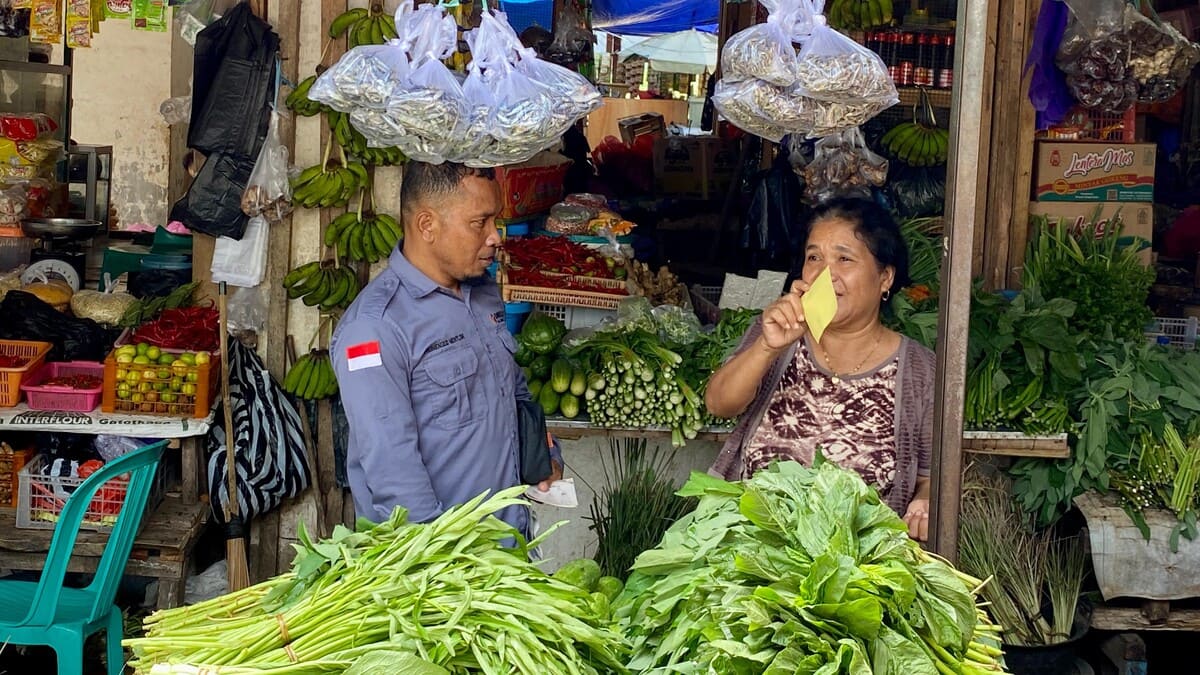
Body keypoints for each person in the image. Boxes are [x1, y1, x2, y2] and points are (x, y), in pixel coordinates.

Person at [331, 161, 562, 536]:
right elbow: (392, 471)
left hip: (508, 546)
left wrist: (544, 452)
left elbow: (513, 391)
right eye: (479, 223)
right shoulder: (373, 330)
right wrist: (441, 570)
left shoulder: (483, 293)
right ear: (427, 225)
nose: (495, 236)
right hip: (447, 570)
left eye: (495, 221)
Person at [706, 198, 935, 541]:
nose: (826, 274)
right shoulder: (776, 334)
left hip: (859, 569)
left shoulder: (920, 368)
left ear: (885, 277)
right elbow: (718, 404)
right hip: (752, 551)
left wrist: (926, 501)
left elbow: (932, 477)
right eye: (814, 258)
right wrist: (769, 346)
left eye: (844, 258)